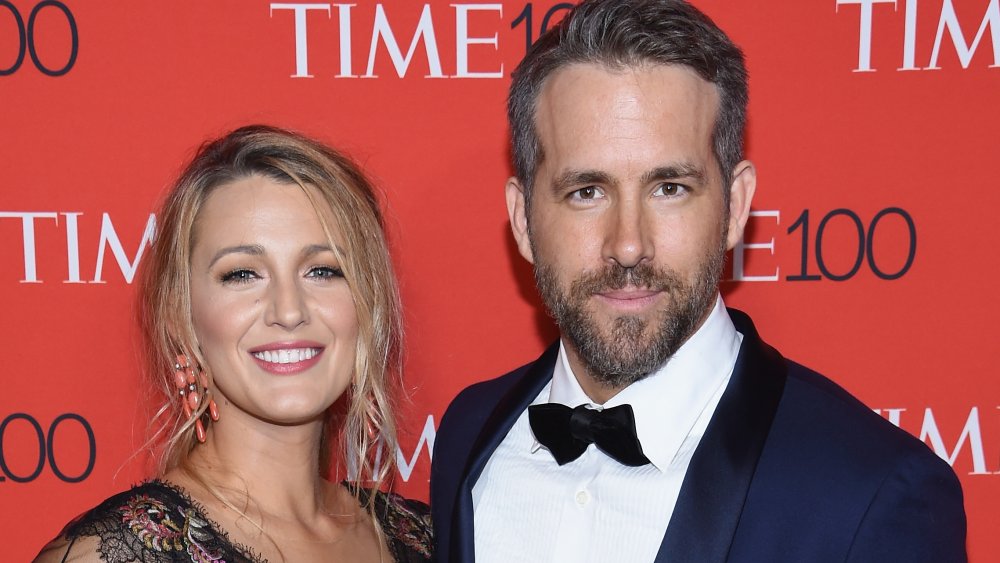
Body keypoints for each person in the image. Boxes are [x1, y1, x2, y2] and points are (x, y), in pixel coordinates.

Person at [430, 1, 967, 562]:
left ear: (735, 207)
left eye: (670, 188)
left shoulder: (869, 495)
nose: (629, 244)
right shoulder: (471, 435)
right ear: (522, 220)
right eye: (586, 192)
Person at [35, 125, 432, 562]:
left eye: (323, 270)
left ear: (368, 304)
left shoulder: (430, 535)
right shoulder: (109, 555)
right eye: (242, 274)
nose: (288, 310)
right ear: (181, 316)